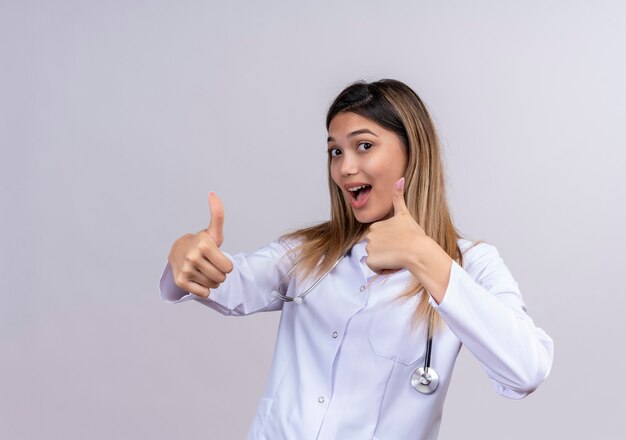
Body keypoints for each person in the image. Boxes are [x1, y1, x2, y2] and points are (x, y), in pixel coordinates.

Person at [159, 79, 554, 439]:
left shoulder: (470, 263)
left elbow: (525, 370)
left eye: (364, 145)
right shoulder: (308, 254)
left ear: (413, 152)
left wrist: (423, 255)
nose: (345, 168)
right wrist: (184, 257)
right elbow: (220, 280)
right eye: (335, 151)